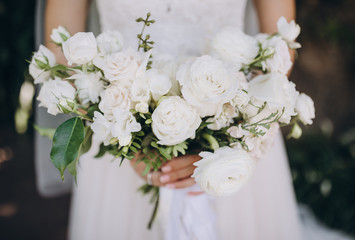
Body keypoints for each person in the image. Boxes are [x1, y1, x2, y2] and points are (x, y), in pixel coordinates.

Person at [42, 0, 302, 239]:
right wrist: (120, 136)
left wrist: (227, 137)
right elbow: (62, 52)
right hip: (119, 133)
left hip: (235, 131)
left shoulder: (234, 131)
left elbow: (279, 47)